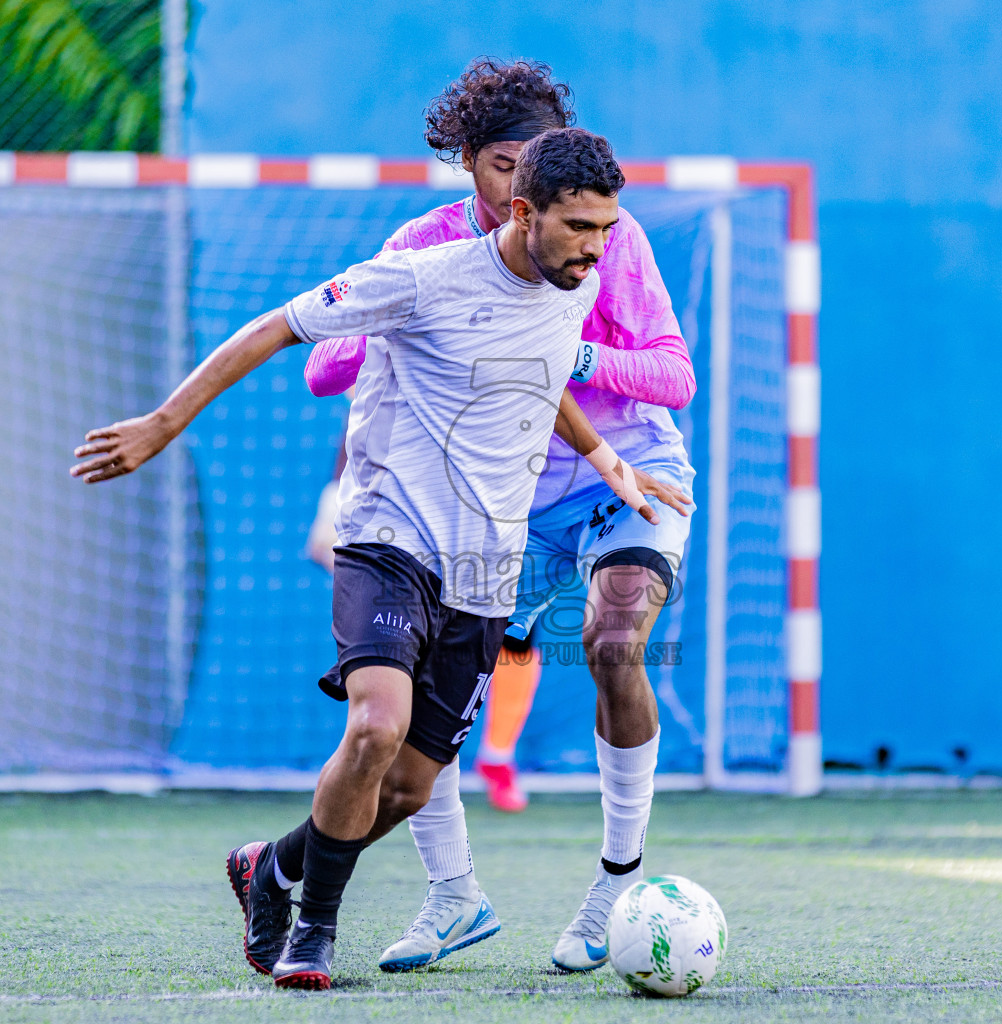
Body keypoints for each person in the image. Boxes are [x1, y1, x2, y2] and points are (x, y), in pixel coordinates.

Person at [70, 127, 691, 990]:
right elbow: (280, 329)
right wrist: (162, 426)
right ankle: (314, 932)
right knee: (374, 726)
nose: (599, 247)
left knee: (402, 789)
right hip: (389, 539)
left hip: (485, 565)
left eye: (607, 228)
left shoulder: (568, 288)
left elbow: (536, 378)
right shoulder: (422, 273)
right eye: (581, 227)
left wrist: (606, 459)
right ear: (519, 208)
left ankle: (275, 868)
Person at [301, 58, 698, 974]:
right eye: (502, 166)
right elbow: (325, 365)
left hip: (623, 478)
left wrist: (569, 356)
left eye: (538, 167)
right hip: (489, 500)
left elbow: (674, 376)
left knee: (613, 635)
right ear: (468, 162)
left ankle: (616, 885)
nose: (522, 187)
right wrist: (376, 324)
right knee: (406, 708)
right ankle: (453, 895)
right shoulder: (427, 246)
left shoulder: (603, 236)